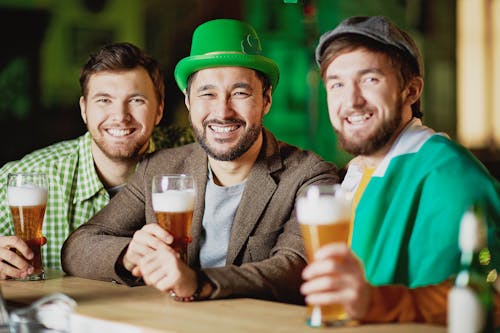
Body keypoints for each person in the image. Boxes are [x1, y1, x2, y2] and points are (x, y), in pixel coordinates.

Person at [61, 18, 338, 304]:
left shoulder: (310, 177)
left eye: (240, 93)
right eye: (207, 93)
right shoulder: (158, 168)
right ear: (188, 101)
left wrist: (198, 281)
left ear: (266, 99)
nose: (222, 111)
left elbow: (295, 267)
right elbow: (77, 246)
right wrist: (129, 253)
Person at [300, 15, 500, 325]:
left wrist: (376, 303)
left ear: (411, 90)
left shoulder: (450, 176)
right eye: (336, 84)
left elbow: (491, 295)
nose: (351, 100)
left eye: (370, 79)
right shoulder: (355, 173)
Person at [0, 42, 165, 279]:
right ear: (84, 109)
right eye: (104, 100)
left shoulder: (191, 159)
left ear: (159, 110)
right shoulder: (26, 175)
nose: (120, 116)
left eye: (136, 100)